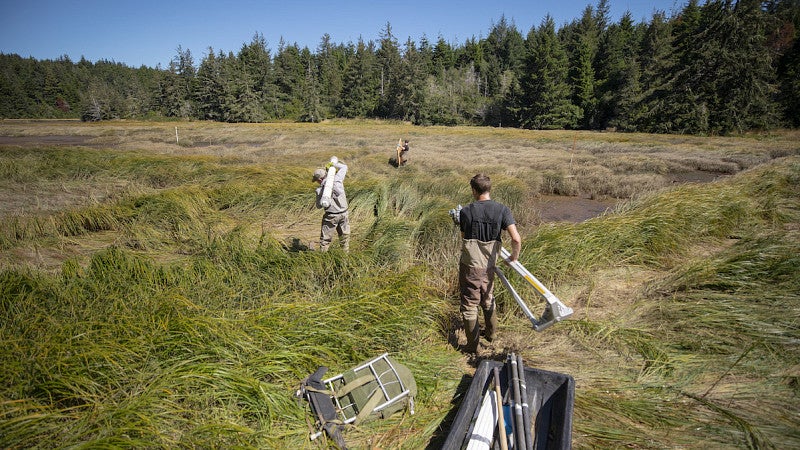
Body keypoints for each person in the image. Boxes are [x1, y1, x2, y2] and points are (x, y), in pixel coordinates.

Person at [458, 173, 521, 354]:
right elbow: (516, 239)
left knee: (470, 304)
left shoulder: (466, 211)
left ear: (473, 190)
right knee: (487, 298)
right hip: (489, 265)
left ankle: (472, 347)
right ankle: (491, 335)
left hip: (471, 265)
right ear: (489, 189)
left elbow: (464, 238)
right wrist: (513, 258)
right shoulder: (503, 210)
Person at [313, 159, 350, 252]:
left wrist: (318, 194)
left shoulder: (320, 190)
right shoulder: (338, 179)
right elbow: (344, 167)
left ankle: (323, 259)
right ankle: (345, 259)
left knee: (325, 240)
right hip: (344, 214)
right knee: (344, 239)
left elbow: (318, 206)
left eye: (317, 180)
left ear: (320, 179)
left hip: (331, 216)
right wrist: (333, 164)